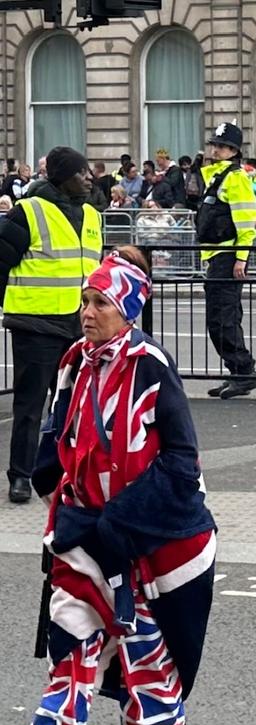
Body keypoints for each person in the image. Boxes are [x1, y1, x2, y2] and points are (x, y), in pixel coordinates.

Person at [3, 247, 216, 725]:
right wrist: (50, 471)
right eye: (85, 300)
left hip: (144, 530)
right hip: (82, 524)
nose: (87, 311)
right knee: (73, 627)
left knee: (141, 632)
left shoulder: (150, 365)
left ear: (127, 308)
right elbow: (61, 423)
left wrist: (124, 520)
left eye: (100, 302)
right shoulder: (75, 358)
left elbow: (180, 458)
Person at [0, 146, 102, 504]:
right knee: (29, 406)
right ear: (61, 176)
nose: (89, 177)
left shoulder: (92, 215)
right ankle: (21, 476)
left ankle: (66, 471)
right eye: (81, 171)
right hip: (36, 325)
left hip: (79, 327)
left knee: (74, 407)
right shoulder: (29, 211)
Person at [198, 122, 256, 399]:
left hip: (228, 256)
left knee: (221, 319)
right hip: (218, 255)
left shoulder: (235, 178)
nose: (215, 149)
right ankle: (238, 371)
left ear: (233, 150)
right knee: (222, 318)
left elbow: (247, 223)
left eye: (221, 146)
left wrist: (241, 259)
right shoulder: (219, 177)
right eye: (214, 144)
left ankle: (243, 371)